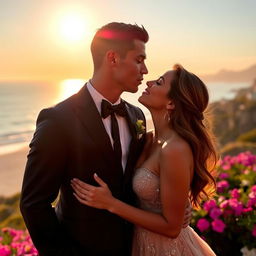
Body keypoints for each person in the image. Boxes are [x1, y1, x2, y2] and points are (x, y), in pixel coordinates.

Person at [20, 22, 190, 256]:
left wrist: (174, 209)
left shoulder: (137, 115)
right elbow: (34, 204)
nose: (145, 70)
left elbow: (141, 179)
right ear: (112, 58)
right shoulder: (58, 120)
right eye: (139, 60)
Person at [71, 64, 218, 256]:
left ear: (171, 103)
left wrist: (110, 203)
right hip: (139, 244)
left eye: (159, 82)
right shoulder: (147, 138)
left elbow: (172, 228)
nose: (148, 82)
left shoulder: (175, 149)